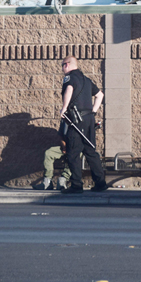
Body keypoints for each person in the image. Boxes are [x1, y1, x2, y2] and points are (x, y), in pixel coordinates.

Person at [59, 55, 108, 194]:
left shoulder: (69, 78)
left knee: (73, 152)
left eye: (62, 65)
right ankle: (100, 183)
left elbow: (69, 89)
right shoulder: (87, 80)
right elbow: (100, 95)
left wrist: (64, 107)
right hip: (89, 119)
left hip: (76, 120)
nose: (62, 68)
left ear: (67, 65)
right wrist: (93, 111)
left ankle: (76, 185)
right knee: (90, 151)